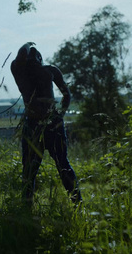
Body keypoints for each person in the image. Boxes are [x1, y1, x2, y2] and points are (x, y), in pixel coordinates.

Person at [11, 42, 82, 205]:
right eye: (30, 54)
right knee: (29, 170)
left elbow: (67, 95)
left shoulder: (49, 71)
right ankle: (26, 209)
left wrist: (60, 115)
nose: (32, 55)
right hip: (33, 124)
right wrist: (27, 45)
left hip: (52, 124)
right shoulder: (20, 71)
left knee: (63, 165)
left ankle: (78, 204)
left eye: (36, 55)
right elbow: (22, 53)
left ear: (40, 59)